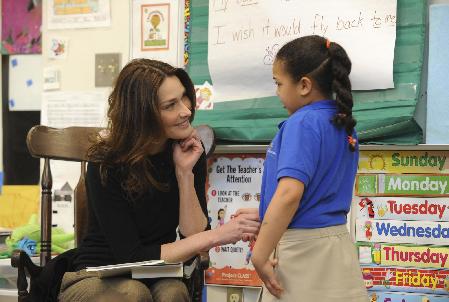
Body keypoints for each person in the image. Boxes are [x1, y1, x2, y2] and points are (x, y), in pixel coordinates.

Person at [58, 59, 260, 302]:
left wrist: (184, 174)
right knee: (133, 295)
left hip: (154, 272)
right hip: (97, 274)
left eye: (184, 97)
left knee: (173, 293)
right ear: (142, 114)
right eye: (170, 105)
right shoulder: (106, 163)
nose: (186, 110)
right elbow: (131, 256)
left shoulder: (186, 153)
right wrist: (218, 235)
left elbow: (193, 237)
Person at [249, 35, 369, 301]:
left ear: (304, 85)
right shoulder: (343, 124)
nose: (277, 92)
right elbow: (317, 193)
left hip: (302, 255)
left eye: (279, 84)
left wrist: (260, 254)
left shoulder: (301, 123)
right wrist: (264, 212)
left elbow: (290, 195)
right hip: (337, 249)